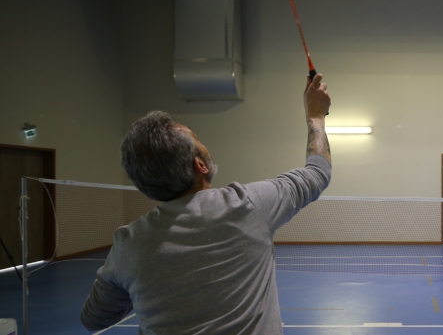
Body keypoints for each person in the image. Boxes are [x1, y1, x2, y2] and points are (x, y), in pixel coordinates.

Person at [81, 74, 332, 334]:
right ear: (200, 164)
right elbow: (318, 172)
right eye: (199, 141)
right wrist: (316, 115)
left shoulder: (128, 245)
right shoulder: (250, 205)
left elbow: (94, 319)